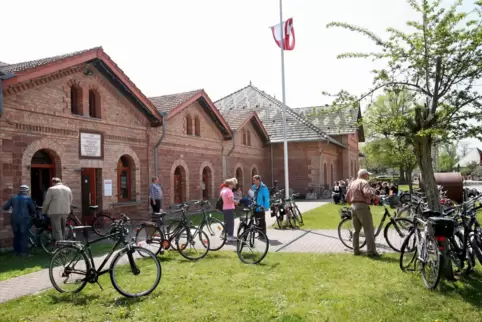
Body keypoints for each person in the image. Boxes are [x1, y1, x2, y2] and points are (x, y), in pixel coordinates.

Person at [346, 169, 380, 257]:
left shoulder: (353, 183)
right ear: (364, 175)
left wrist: (352, 204)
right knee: (369, 230)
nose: (368, 176)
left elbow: (347, 196)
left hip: (353, 207)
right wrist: (375, 196)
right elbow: (367, 192)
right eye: (367, 175)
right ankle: (371, 251)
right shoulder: (364, 182)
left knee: (355, 231)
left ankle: (356, 250)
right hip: (362, 206)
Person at [2, 185, 36, 256]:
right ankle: (24, 253)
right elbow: (33, 209)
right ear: (26, 191)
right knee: (24, 235)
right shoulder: (28, 198)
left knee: (16, 235)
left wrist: (11, 208)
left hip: (14, 219)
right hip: (24, 219)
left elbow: (4, 207)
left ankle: (16, 252)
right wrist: (32, 214)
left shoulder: (13, 198)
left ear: (19, 191)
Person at [42, 177, 73, 243]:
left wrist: (43, 211)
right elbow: (70, 200)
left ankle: (61, 247)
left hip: (55, 212)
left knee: (57, 230)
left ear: (53, 182)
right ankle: (64, 243)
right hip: (65, 211)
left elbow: (47, 202)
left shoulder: (51, 189)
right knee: (63, 229)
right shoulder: (68, 189)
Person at [220, 178, 238, 242]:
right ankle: (230, 236)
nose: (233, 186)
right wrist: (235, 202)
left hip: (225, 208)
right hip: (230, 208)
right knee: (231, 223)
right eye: (232, 184)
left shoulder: (223, 190)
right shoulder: (229, 191)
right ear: (229, 184)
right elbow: (230, 200)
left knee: (227, 223)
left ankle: (223, 234)